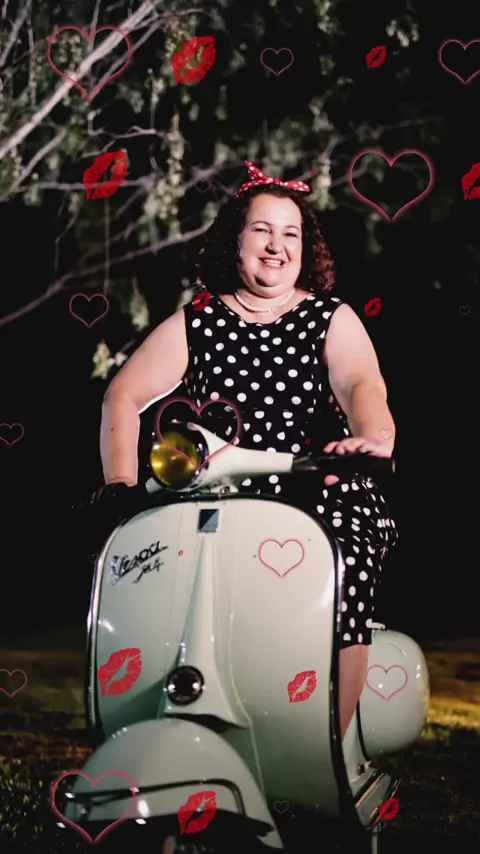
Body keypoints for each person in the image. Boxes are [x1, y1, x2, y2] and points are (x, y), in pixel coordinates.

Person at [98, 160, 397, 740]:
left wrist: (370, 438)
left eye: (290, 233)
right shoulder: (200, 318)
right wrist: (120, 486)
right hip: (219, 487)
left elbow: (364, 385)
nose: (276, 245)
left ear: (305, 248)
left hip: (316, 482)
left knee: (346, 554)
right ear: (235, 241)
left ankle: (325, 751)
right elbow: (122, 395)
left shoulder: (329, 317)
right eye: (262, 230)